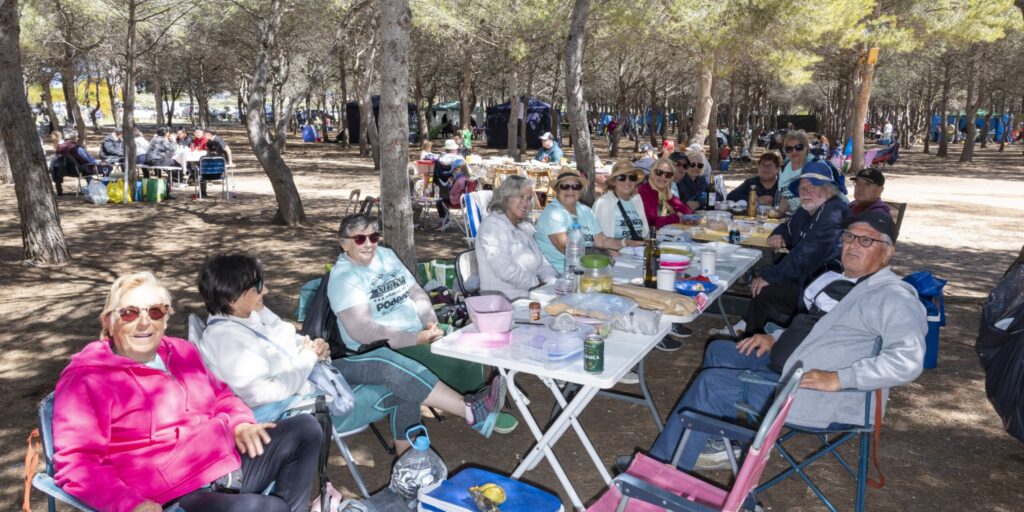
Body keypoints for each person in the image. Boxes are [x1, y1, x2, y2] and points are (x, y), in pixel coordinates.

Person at [627, 211, 926, 472]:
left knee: (712, 385)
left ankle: (660, 471)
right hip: (791, 368)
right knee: (721, 350)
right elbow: (817, 330)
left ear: (887, 253)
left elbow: (908, 361)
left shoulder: (892, 297)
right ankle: (723, 442)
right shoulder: (843, 280)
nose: (852, 245)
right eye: (849, 237)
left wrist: (840, 379)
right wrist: (774, 337)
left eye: (866, 240)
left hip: (818, 395)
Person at [51, 272, 322, 512]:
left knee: (305, 429)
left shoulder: (180, 352)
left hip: (223, 461)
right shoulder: (88, 380)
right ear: (109, 322)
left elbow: (222, 396)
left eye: (155, 311)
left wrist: (241, 425)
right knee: (268, 508)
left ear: (166, 318)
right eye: (130, 313)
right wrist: (130, 504)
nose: (144, 323)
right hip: (172, 495)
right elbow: (76, 463)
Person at [197, 254, 508, 445]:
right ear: (232, 296)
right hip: (298, 411)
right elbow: (262, 395)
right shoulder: (227, 340)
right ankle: (466, 415)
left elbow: (289, 339)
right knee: (399, 384)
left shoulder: (251, 313)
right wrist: (307, 357)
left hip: (315, 375)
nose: (265, 290)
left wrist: (312, 346)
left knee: (386, 362)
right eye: (256, 287)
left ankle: (459, 422)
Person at [327, 214, 517, 433]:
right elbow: (364, 331)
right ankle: (478, 413)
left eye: (374, 236)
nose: (369, 244)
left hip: (418, 329)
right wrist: (416, 338)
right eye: (360, 239)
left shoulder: (386, 255)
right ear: (344, 243)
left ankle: (478, 402)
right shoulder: (344, 277)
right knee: (449, 358)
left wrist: (429, 320)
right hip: (383, 347)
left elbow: (415, 290)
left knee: (469, 346)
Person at [716, 161, 850, 338]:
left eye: (813, 187)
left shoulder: (833, 212)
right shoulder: (808, 209)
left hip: (825, 287)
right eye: (802, 188)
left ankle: (753, 339)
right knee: (764, 286)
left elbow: (807, 253)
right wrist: (779, 235)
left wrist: (770, 276)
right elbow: (787, 226)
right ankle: (752, 333)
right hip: (809, 277)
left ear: (828, 189)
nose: (806, 192)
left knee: (764, 287)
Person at [534, 169, 637, 271]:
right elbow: (569, 249)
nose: (570, 190)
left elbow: (601, 240)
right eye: (564, 186)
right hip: (564, 274)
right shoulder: (552, 213)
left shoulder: (585, 211)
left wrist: (626, 242)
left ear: (580, 190)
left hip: (588, 267)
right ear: (557, 190)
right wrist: (604, 253)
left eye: (576, 186)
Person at [476, 176, 559, 300]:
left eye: (529, 198)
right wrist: (536, 283)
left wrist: (553, 282)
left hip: (529, 298)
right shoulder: (492, 226)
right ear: (506, 197)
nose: (525, 203)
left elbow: (541, 262)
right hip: (504, 303)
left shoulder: (523, 226)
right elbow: (505, 269)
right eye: (520, 197)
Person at [593, 160, 650, 242]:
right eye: (622, 177)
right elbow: (597, 238)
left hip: (637, 250)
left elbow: (644, 233)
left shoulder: (637, 199)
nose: (628, 181)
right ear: (613, 182)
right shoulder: (602, 203)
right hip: (615, 252)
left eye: (632, 177)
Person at [637, 158, 694, 230]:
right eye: (659, 172)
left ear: (671, 178)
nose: (663, 177)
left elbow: (689, 213)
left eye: (668, 174)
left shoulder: (666, 192)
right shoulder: (643, 191)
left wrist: (672, 200)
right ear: (651, 173)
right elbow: (651, 222)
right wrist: (676, 218)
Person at [777, 130, 819, 213]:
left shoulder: (817, 166)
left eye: (798, 147)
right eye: (789, 149)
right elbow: (785, 196)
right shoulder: (784, 168)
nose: (794, 152)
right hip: (794, 218)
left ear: (807, 147)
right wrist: (779, 212)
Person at [433, 139, 467, 230]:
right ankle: (445, 220)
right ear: (453, 149)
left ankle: (443, 219)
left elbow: (435, 177)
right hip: (459, 197)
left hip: (442, 193)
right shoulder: (459, 160)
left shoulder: (438, 160)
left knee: (440, 199)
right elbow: (466, 175)